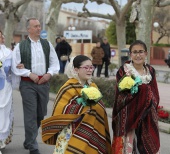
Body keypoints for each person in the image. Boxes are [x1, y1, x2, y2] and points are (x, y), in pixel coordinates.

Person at [41, 55, 112, 154]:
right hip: (71, 133)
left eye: (91, 67)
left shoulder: (93, 86)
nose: (89, 70)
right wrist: (84, 109)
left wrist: (92, 108)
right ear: (76, 69)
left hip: (92, 132)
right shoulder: (68, 87)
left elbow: (100, 108)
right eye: (86, 67)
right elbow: (61, 110)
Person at [11, 18, 60, 154]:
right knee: (30, 114)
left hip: (44, 83)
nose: (39, 28)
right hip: (28, 84)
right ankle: (33, 146)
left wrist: (49, 74)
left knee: (40, 114)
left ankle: (28, 140)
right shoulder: (20, 46)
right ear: (29, 29)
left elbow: (54, 63)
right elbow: (16, 65)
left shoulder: (47, 44)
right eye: (36, 26)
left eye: (39, 26)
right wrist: (28, 73)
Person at [112, 40, 160, 154]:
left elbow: (155, 92)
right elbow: (121, 96)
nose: (138, 55)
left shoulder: (151, 70)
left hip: (148, 116)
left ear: (146, 53)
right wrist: (142, 93)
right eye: (134, 52)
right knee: (129, 147)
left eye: (141, 52)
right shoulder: (124, 71)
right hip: (129, 116)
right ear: (130, 54)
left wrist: (148, 100)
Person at [0, 31, 23, 153]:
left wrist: (20, 67)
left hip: (5, 88)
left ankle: (1, 138)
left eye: (2, 35)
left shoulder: (9, 53)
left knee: (4, 112)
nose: (2, 37)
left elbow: (14, 67)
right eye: (0, 36)